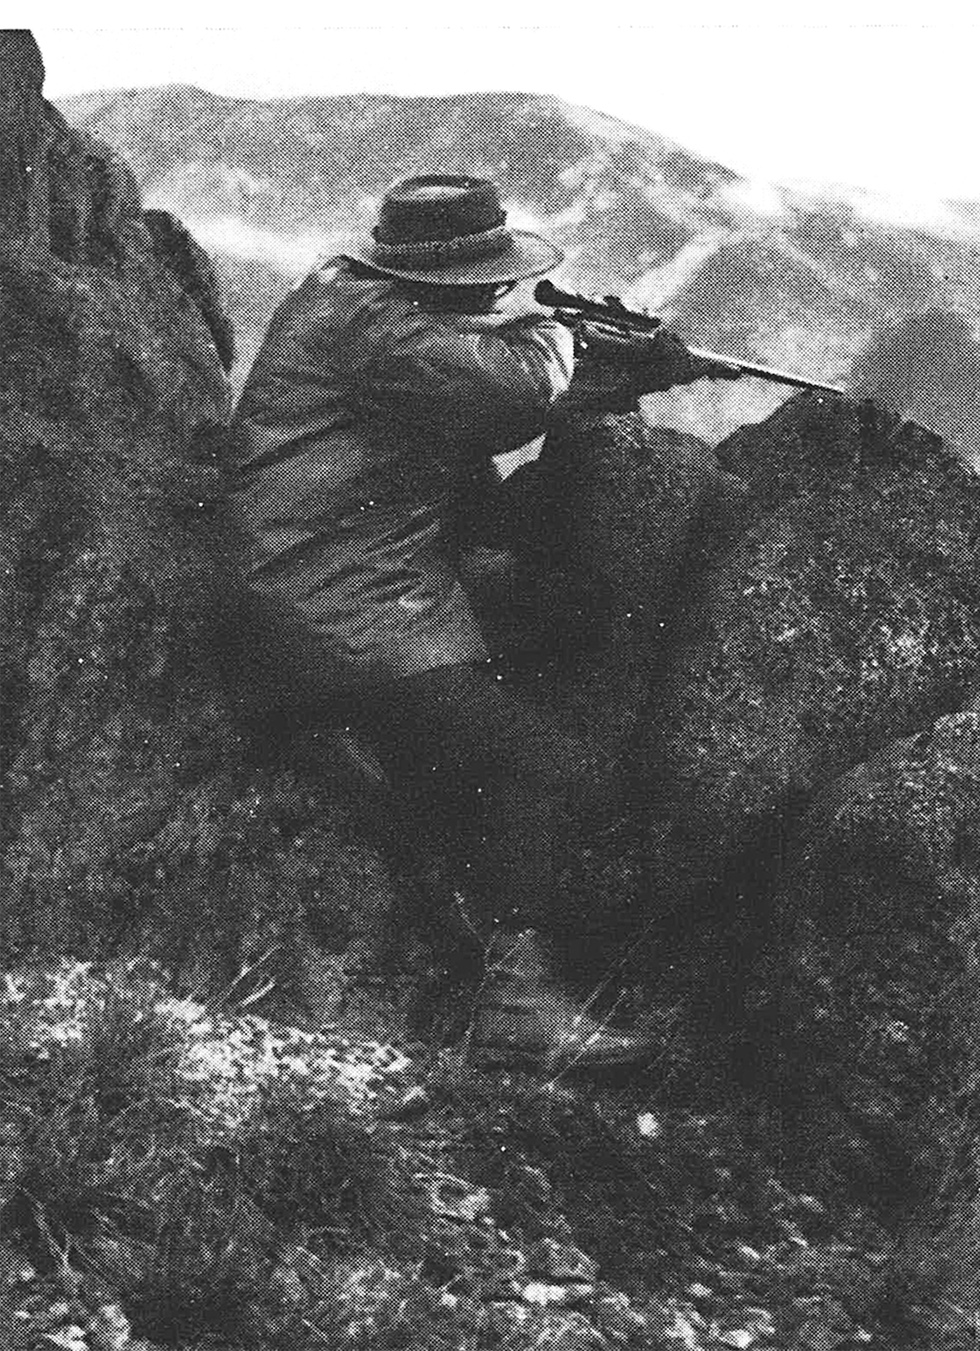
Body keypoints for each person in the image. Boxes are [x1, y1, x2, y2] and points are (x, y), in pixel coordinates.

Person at [222, 174, 696, 1069]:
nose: (495, 292)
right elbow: (514, 385)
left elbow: (478, 393)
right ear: (437, 278)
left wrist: (622, 371)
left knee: (574, 609)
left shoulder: (359, 303)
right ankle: (516, 1006)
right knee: (548, 769)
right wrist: (568, 331)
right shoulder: (374, 323)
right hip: (328, 605)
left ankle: (451, 752)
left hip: (354, 575)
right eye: (484, 279)